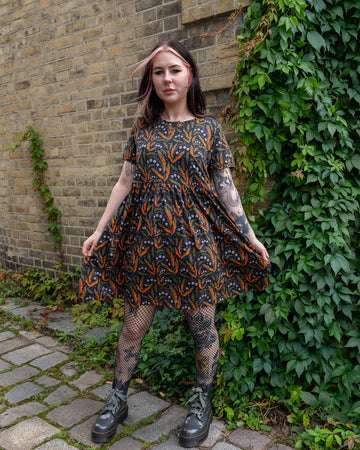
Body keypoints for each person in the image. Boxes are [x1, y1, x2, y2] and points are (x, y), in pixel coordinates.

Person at [80, 40, 270, 448]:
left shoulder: (209, 129)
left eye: (175, 70)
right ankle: (118, 398)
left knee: (202, 324)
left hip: (197, 244)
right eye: (159, 71)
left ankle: (202, 399)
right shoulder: (142, 129)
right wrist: (99, 230)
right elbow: (125, 181)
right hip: (146, 244)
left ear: (190, 75)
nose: (167, 78)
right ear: (152, 79)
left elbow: (226, 188)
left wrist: (250, 237)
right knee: (134, 326)